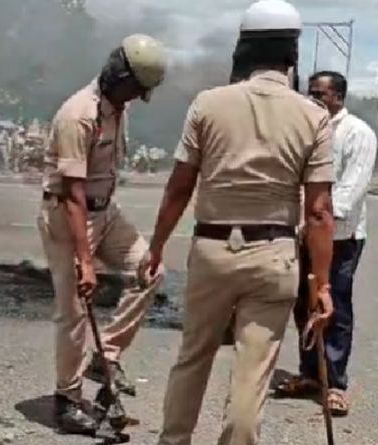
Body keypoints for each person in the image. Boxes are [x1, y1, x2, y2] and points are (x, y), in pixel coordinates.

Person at [140, 2, 336, 444]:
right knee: (253, 374)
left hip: (211, 251)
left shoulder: (208, 104)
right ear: (293, 52)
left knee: (193, 357)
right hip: (274, 257)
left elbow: (178, 187)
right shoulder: (313, 116)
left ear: (243, 48)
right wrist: (321, 284)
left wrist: (155, 247)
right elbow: (319, 211)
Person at [38, 34, 167, 435]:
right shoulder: (78, 114)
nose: (136, 98)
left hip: (105, 210)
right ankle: (67, 400)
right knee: (75, 311)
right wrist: (84, 261)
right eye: (136, 89)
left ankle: (105, 355)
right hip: (68, 214)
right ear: (121, 76)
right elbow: (73, 196)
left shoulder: (116, 108)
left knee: (150, 269)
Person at [275, 71, 377, 417]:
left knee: (335, 306)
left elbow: (352, 188)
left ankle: (334, 382)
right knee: (303, 303)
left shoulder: (358, 133)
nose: (312, 98)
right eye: (310, 92)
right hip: (304, 232)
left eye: (320, 94)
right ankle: (310, 373)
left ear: (339, 97)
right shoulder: (305, 129)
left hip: (340, 237)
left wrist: (321, 219)